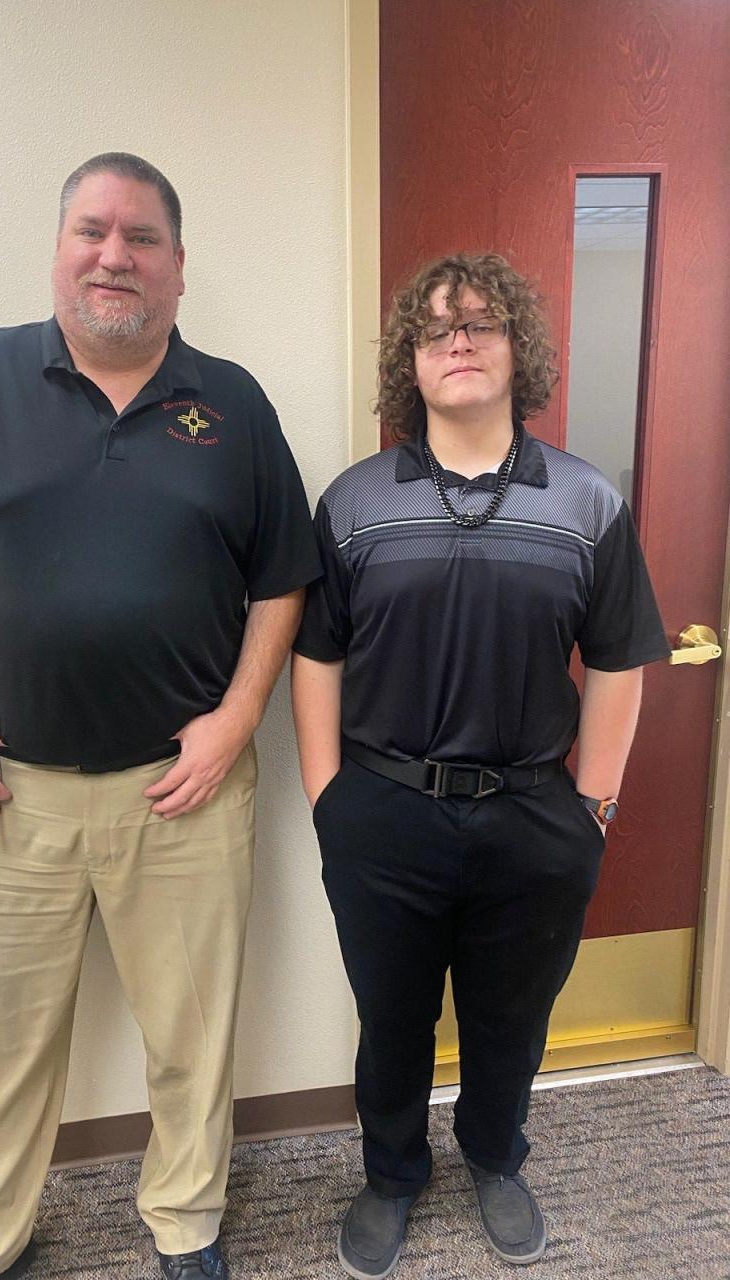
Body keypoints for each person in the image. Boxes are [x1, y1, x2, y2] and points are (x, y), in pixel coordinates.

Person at [0, 152, 320, 1280]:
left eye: (141, 236)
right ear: (58, 249)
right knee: (0, 1046)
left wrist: (236, 718)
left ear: (178, 267)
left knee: (192, 1036)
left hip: (186, 789)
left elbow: (282, 578)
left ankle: (186, 1220)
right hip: (11, 794)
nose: (115, 254)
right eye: (92, 231)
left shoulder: (233, 403)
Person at [291, 252, 669, 1278]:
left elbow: (625, 655)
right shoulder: (357, 501)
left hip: (535, 815)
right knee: (393, 1018)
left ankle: (497, 1157)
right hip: (384, 813)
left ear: (519, 350)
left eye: (482, 324)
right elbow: (317, 652)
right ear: (409, 364)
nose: (458, 341)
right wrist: (331, 799)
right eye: (436, 329)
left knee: (512, 1016)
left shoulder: (587, 501)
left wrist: (592, 802)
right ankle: (392, 1173)